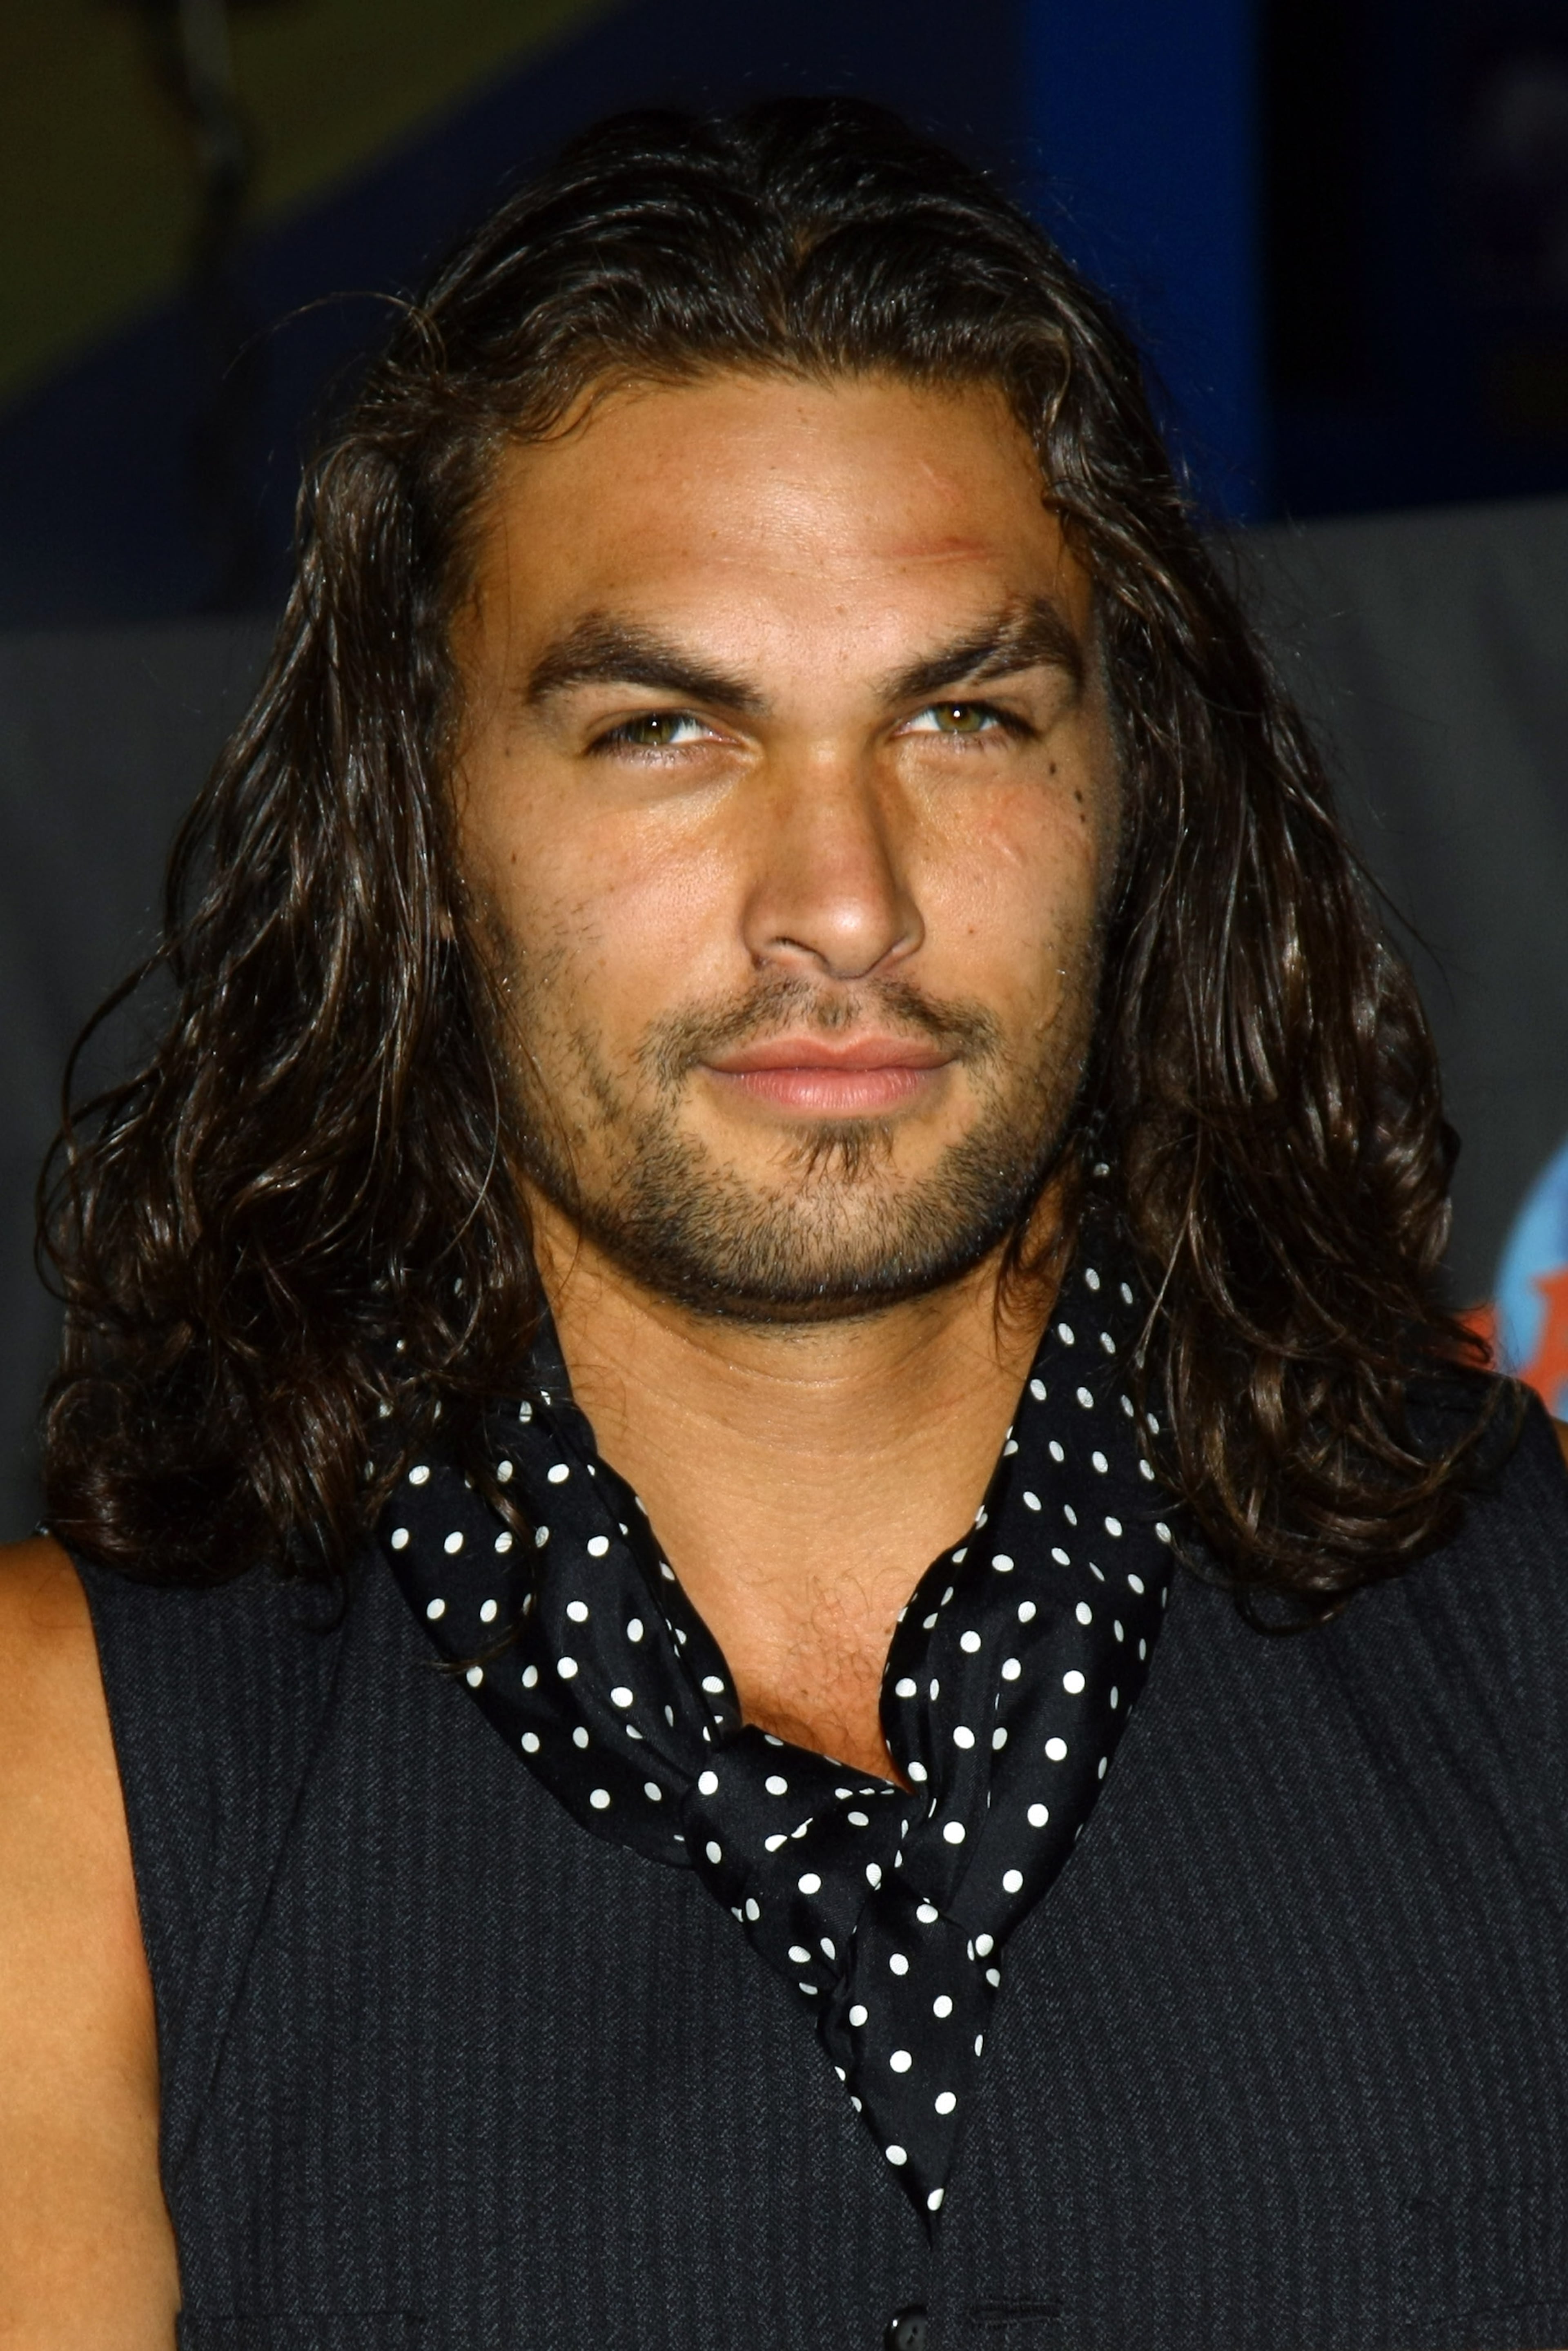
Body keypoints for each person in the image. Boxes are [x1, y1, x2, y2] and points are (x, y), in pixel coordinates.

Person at [2, 97, 1565, 2351]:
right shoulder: (81, 1790)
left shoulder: (1523, 1650)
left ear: (1137, 791)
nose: (842, 901)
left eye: (961, 715)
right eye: (666, 730)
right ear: (422, 817)